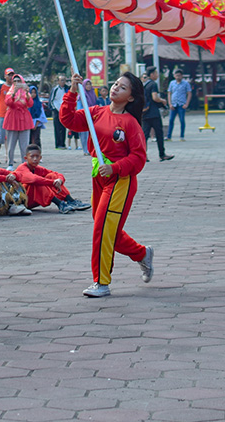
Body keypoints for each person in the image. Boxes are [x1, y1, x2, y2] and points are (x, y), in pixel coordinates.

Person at [60, 72, 153, 298]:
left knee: (102, 228)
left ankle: (101, 282)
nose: (115, 89)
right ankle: (141, 253)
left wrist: (116, 168)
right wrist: (72, 92)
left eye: (122, 88)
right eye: (115, 84)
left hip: (121, 180)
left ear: (131, 98)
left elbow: (139, 158)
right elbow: (68, 119)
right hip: (98, 177)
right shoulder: (96, 112)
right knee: (107, 228)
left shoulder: (130, 123)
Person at [13, 144, 91, 214]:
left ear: (40, 158)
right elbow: (34, 179)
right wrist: (53, 182)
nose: (35, 159)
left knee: (51, 176)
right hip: (23, 200)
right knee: (37, 182)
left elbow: (57, 174)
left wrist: (59, 180)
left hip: (34, 198)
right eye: (32, 156)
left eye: (37, 156)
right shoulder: (22, 168)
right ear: (26, 158)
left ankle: (71, 200)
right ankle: (60, 204)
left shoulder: (38, 168)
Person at [1, 75, 33, 168]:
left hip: (24, 118)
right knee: (11, 143)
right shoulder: (9, 92)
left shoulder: (25, 92)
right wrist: (14, 93)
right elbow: (8, 103)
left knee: (25, 144)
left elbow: (30, 103)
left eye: (19, 80)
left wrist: (27, 93)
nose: (16, 82)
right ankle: (10, 163)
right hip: (12, 118)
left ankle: (25, 163)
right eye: (14, 81)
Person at [141, 66, 169, 162]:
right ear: (152, 74)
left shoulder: (145, 84)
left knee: (145, 135)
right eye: (156, 73)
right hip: (153, 113)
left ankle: (143, 156)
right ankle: (162, 154)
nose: (157, 75)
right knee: (159, 133)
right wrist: (163, 101)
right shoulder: (153, 84)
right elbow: (155, 97)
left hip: (145, 113)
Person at [166, 69, 192, 141]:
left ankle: (182, 136)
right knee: (171, 120)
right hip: (173, 104)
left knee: (182, 120)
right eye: (176, 75)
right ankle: (169, 136)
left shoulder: (185, 83)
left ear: (182, 76)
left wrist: (186, 104)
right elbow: (169, 93)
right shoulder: (172, 83)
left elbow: (189, 93)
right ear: (174, 76)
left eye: (179, 75)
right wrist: (170, 103)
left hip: (181, 104)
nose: (178, 77)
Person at [50, 76, 69, 149]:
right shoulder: (55, 89)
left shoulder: (66, 89)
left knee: (63, 127)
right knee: (57, 128)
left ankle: (63, 143)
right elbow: (52, 100)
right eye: (61, 80)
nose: (63, 82)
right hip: (57, 110)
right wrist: (55, 108)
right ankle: (58, 144)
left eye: (64, 80)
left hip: (64, 111)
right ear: (58, 81)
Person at [28, 85, 48, 150]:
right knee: (29, 139)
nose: (33, 94)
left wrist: (36, 124)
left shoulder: (39, 104)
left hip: (37, 123)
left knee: (36, 139)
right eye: (31, 92)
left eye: (34, 92)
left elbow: (41, 115)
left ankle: (38, 153)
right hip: (28, 124)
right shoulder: (27, 103)